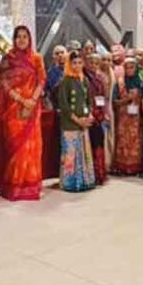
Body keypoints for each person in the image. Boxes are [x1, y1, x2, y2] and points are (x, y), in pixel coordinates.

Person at [0, 26, 47, 201]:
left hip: (32, 108)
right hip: (14, 109)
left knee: (32, 147)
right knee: (17, 148)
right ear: (13, 39)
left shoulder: (36, 58)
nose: (21, 40)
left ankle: (31, 185)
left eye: (24, 36)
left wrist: (32, 100)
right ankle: (15, 186)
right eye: (18, 36)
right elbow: (4, 83)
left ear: (29, 39)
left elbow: (42, 80)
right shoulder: (8, 59)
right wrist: (21, 100)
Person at [58, 52, 96, 192]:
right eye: (74, 63)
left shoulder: (84, 80)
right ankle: (70, 183)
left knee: (83, 152)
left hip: (84, 122)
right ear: (69, 64)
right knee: (71, 153)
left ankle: (84, 180)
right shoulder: (65, 81)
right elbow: (64, 105)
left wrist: (89, 115)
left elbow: (88, 100)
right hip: (70, 123)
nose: (77, 66)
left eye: (80, 63)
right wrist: (77, 120)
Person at [112, 57, 143, 175]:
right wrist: (126, 100)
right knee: (123, 141)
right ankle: (122, 167)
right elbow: (114, 101)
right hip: (123, 118)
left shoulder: (141, 83)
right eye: (127, 68)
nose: (129, 70)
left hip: (136, 118)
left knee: (136, 141)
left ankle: (135, 167)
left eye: (132, 67)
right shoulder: (120, 82)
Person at [84, 53, 108, 185]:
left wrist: (103, 112)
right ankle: (92, 174)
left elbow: (103, 97)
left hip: (99, 115)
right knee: (90, 144)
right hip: (88, 114)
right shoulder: (84, 78)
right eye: (91, 63)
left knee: (99, 142)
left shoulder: (99, 79)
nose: (93, 65)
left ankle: (100, 173)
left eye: (96, 63)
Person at [99, 53, 116, 170]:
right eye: (104, 59)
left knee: (110, 134)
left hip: (110, 106)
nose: (106, 62)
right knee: (103, 134)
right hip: (100, 106)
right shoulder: (98, 74)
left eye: (109, 60)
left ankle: (110, 162)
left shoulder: (112, 74)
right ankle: (103, 163)